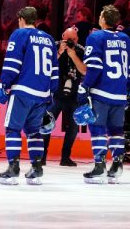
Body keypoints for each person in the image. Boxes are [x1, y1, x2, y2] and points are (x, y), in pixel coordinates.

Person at [0, 6, 58, 185]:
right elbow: (54, 70)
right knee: (34, 132)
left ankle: (13, 167)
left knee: (12, 129)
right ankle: (37, 168)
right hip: (42, 94)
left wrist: (4, 85)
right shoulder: (48, 39)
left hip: (23, 91)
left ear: (21, 19)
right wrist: (50, 92)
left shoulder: (19, 34)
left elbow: (12, 64)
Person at [79, 5, 130, 184]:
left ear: (103, 19)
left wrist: (85, 86)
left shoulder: (95, 37)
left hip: (101, 92)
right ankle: (117, 164)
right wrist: (126, 89)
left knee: (97, 129)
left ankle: (99, 165)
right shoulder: (125, 38)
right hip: (119, 93)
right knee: (116, 130)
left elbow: (94, 67)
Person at [42, 27, 85, 167]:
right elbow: (45, 66)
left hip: (73, 96)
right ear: (62, 37)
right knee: (46, 124)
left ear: (77, 40)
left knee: (73, 128)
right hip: (56, 94)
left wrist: (73, 55)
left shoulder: (81, 50)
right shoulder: (53, 46)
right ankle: (42, 157)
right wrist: (60, 51)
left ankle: (65, 157)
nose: (71, 42)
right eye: (68, 39)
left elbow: (84, 71)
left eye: (73, 40)